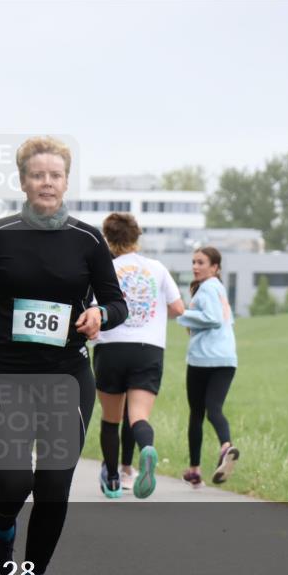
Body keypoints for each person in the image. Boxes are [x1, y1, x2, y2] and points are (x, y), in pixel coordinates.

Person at [0, 136, 127, 575]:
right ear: (23, 181)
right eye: (38, 175)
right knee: (12, 485)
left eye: (56, 175)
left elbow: (117, 302)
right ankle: (3, 530)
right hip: (8, 374)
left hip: (68, 376)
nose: (47, 183)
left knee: (54, 485)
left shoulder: (88, 238)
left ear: (66, 182)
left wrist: (101, 316)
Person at [92, 213, 184, 499]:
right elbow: (179, 308)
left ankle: (113, 481)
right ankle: (146, 449)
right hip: (149, 348)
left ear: (107, 238)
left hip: (111, 347)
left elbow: (94, 312)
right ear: (137, 237)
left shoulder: (104, 269)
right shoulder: (157, 268)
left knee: (111, 419)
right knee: (138, 415)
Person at [176, 246, 240, 486]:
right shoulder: (219, 289)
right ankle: (225, 446)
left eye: (201, 262)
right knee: (214, 409)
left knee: (197, 413)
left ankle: (197, 468)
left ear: (215, 267)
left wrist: (183, 314)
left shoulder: (208, 288)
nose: (195, 266)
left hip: (204, 359)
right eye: (193, 262)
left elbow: (213, 319)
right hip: (227, 359)